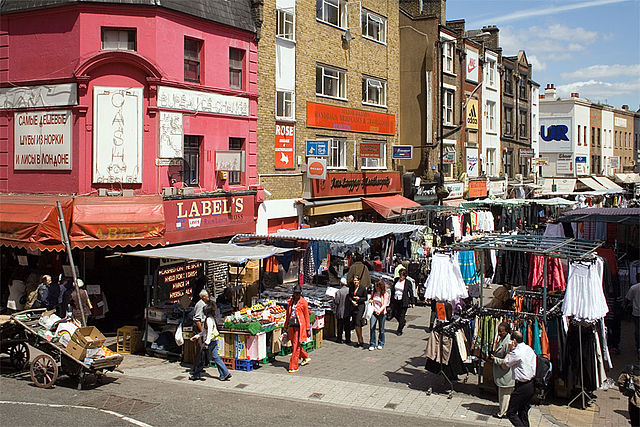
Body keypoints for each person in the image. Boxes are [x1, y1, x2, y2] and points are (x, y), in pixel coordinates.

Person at [502, 330, 537, 427]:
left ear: (513, 341)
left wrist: (509, 351)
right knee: (523, 412)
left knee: (511, 413)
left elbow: (505, 364)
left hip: (522, 386)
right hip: (531, 384)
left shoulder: (516, 352)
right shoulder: (529, 349)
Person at [189, 303, 231, 381]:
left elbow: (209, 332)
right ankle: (225, 373)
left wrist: (207, 343)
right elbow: (205, 331)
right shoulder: (211, 318)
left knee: (201, 359)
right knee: (216, 357)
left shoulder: (208, 320)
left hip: (209, 342)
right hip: (214, 340)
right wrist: (197, 336)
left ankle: (196, 374)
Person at [490, 322, 515, 419]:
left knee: (505, 395)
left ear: (507, 331)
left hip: (506, 374)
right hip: (501, 373)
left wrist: (495, 359)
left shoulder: (508, 342)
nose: (499, 333)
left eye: (501, 332)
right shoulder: (502, 339)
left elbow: (508, 360)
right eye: (498, 331)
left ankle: (502, 412)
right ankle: (504, 410)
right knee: (503, 394)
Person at [285, 285, 311, 373]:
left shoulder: (303, 302)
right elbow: (287, 315)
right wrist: (285, 326)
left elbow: (306, 316)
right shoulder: (290, 302)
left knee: (295, 346)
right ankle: (305, 356)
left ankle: (293, 366)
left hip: (299, 327)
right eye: (295, 293)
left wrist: (308, 329)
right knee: (294, 344)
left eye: (298, 293)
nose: (297, 295)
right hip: (292, 325)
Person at [390, 268, 414, 336]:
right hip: (396, 300)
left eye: (402, 276)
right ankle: (402, 322)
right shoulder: (396, 280)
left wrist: (412, 302)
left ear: (405, 276)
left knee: (402, 315)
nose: (401, 277)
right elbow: (393, 290)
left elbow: (411, 292)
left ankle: (399, 330)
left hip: (403, 301)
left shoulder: (407, 282)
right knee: (395, 314)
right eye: (400, 275)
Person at [618, 361, 640, 427]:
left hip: (634, 402)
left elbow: (621, 381)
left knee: (635, 423)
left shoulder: (631, 368)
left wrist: (624, 391)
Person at [349, 275, 367, 347]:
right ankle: (359, 339)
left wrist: (359, 299)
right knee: (355, 323)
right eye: (354, 280)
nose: (355, 282)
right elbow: (349, 297)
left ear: (359, 281)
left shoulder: (362, 288)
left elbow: (365, 298)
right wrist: (352, 301)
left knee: (358, 322)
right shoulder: (351, 287)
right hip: (354, 307)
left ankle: (360, 340)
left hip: (360, 306)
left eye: (356, 280)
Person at [369, 280, 387, 350]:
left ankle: (381, 342)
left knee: (381, 329)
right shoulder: (374, 293)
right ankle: (372, 343)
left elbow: (384, 304)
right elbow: (371, 299)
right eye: (375, 286)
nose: (376, 288)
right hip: (373, 312)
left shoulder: (385, 294)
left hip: (381, 313)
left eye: (377, 286)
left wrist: (379, 311)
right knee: (372, 328)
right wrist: (371, 300)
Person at [333, 277, 350, 344]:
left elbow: (337, 301)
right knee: (347, 326)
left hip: (340, 311)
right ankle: (348, 339)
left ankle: (339, 339)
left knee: (340, 326)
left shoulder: (338, 292)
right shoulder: (349, 291)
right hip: (347, 311)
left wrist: (333, 299)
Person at [627, 273, 640, 355]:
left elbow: (628, 299)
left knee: (638, 330)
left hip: (637, 312)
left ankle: (638, 347)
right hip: (636, 312)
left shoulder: (634, 288)